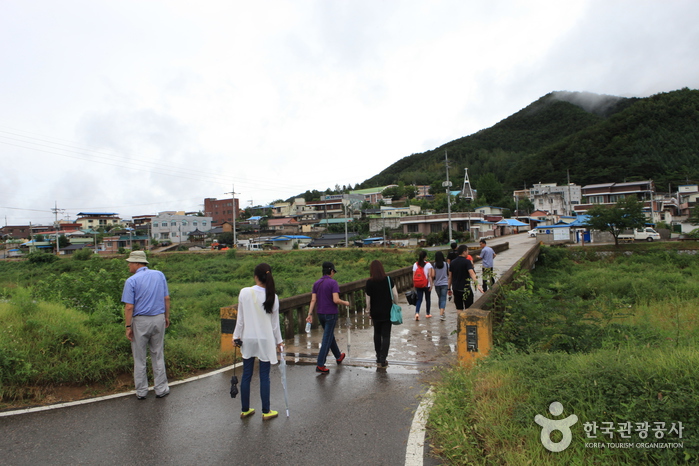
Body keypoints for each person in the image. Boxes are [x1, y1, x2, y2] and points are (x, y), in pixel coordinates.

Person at [232, 263, 283, 420]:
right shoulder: (272, 296)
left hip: (248, 338)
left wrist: (236, 336)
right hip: (265, 339)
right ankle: (266, 412)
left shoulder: (244, 292)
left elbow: (240, 318)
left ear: (255, 276)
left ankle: (245, 410)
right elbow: (275, 325)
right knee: (264, 376)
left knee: (246, 375)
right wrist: (279, 342)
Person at [121, 250, 171, 400]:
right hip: (158, 318)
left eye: (130, 262)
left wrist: (128, 326)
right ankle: (161, 389)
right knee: (158, 354)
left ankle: (142, 391)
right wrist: (166, 317)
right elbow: (166, 298)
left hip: (140, 321)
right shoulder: (159, 275)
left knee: (139, 357)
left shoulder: (131, 281)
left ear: (137, 263)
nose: (129, 265)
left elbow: (129, 307)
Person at [306, 261, 350, 374]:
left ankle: (338, 356)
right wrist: (345, 302)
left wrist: (309, 314)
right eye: (333, 271)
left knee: (329, 336)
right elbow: (335, 300)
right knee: (326, 339)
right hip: (331, 314)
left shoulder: (316, 283)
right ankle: (320, 364)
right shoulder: (333, 283)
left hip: (320, 314)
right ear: (331, 271)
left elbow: (313, 300)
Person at [364, 260, 398, 368]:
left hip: (375, 312)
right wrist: (395, 305)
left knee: (377, 334)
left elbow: (368, 299)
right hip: (387, 311)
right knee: (386, 335)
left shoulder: (369, 282)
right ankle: (383, 358)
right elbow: (395, 294)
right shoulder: (388, 279)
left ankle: (378, 356)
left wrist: (368, 311)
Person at [448, 245, 483, 310]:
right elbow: (472, 273)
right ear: (464, 252)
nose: (468, 252)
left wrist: (448, 288)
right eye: (467, 251)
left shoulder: (452, 262)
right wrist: (477, 284)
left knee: (459, 308)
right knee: (468, 308)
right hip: (465, 289)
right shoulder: (467, 262)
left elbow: (450, 277)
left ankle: (460, 320)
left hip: (456, 289)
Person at [412, 250, 435, 320]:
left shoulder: (415, 264)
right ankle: (427, 313)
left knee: (419, 299)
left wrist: (414, 285)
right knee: (428, 299)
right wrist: (431, 285)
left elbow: (413, 277)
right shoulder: (428, 265)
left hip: (418, 285)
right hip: (426, 285)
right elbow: (430, 276)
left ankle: (417, 313)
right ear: (425, 257)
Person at [432, 251, 449, 321]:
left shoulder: (434, 265)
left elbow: (433, 275)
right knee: (443, 298)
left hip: (437, 284)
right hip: (444, 283)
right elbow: (448, 273)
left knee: (440, 298)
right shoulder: (446, 264)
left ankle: (442, 312)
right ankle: (441, 314)